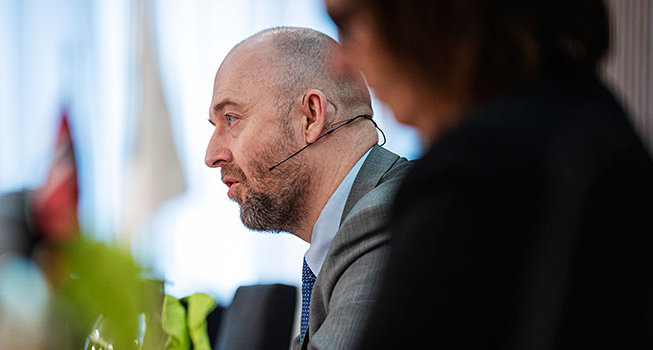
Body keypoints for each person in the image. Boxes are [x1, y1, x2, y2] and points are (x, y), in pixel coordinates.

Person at [323, 0, 653, 348]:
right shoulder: (589, 118)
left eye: (348, 25)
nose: (341, 64)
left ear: (431, 15)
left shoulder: (475, 170)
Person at [204, 27, 411, 349]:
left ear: (311, 116)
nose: (212, 156)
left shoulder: (388, 220)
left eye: (231, 119)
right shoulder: (345, 234)